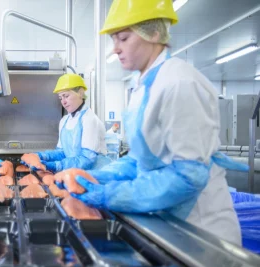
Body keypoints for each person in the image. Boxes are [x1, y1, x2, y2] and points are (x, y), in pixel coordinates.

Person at [67, 0, 248, 245]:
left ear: (153, 33)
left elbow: (188, 176)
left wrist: (110, 195)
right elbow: (140, 159)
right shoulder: (142, 86)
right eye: (114, 40)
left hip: (201, 231)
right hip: (167, 224)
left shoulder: (179, 83)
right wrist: (98, 178)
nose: (115, 49)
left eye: (123, 38)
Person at [22, 74, 110, 173]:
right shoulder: (64, 121)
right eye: (60, 98)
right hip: (75, 176)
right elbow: (62, 152)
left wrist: (55, 165)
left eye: (66, 96)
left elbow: (87, 159)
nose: (63, 102)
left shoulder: (89, 120)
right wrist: (41, 156)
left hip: (96, 178)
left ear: (80, 93)